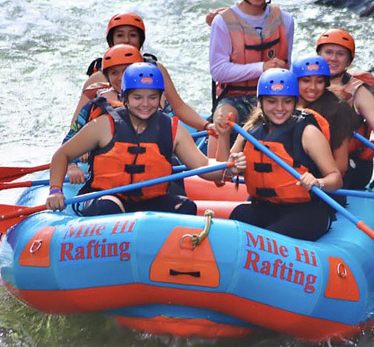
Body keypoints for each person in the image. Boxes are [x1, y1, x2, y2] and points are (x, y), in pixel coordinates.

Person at [47, 63, 246, 216]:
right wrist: (56, 190)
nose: (145, 104)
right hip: (105, 198)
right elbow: (62, 155)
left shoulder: (172, 128)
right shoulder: (104, 125)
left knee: (185, 206)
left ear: (160, 98)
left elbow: (203, 164)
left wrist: (228, 168)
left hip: (149, 201)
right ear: (125, 98)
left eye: (152, 97)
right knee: (110, 207)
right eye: (138, 97)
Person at [216, 68, 342, 241]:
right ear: (261, 102)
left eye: (287, 101)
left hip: (306, 210)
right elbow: (222, 175)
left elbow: (335, 178)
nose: (280, 108)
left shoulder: (308, 132)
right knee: (238, 218)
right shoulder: (250, 130)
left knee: (272, 237)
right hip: (265, 206)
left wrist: (318, 182)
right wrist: (229, 155)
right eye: (272, 101)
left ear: (295, 102)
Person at [208, 0, 295, 156]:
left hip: (273, 96)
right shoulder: (222, 22)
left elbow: (287, 66)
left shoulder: (286, 20)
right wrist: (261, 68)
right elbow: (218, 71)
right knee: (222, 119)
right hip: (235, 96)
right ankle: (216, 174)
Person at [72, 13, 213, 135]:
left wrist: (207, 126)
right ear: (111, 41)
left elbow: (179, 107)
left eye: (132, 35)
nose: (126, 40)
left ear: (140, 40)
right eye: (120, 35)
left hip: (154, 136)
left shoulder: (155, 70)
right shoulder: (98, 77)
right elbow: (78, 122)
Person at [316, 29, 374, 189]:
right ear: (318, 56)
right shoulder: (308, 86)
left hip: (352, 164)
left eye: (340, 54)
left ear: (348, 61)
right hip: (317, 158)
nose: (333, 58)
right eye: (328, 52)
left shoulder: (358, 92)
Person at [63, 44, 143, 184]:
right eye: (114, 73)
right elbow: (69, 141)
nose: (120, 78)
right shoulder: (95, 105)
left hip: (146, 172)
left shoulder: (151, 103)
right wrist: (72, 165)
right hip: (109, 174)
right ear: (107, 77)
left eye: (126, 71)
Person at [292, 55, 363, 196]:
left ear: (325, 84)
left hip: (325, 180)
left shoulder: (337, 109)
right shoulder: (282, 105)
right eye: (306, 81)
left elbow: (341, 164)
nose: (312, 87)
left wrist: (317, 181)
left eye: (319, 82)